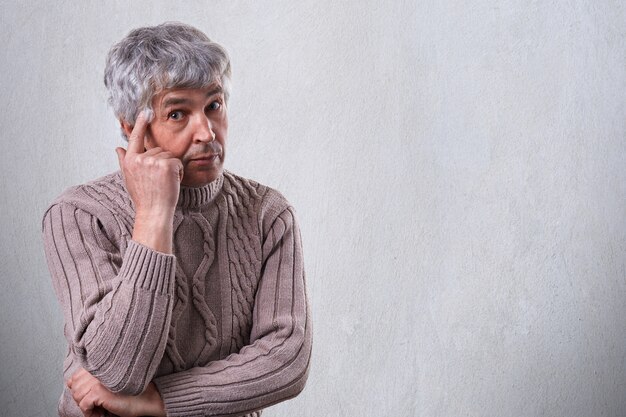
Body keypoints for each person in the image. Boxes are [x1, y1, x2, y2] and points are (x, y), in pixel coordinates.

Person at [42, 22, 311, 417]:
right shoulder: (80, 215)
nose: (206, 132)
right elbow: (116, 372)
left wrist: (160, 402)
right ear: (132, 127)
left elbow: (287, 358)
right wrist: (154, 213)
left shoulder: (268, 215)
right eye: (178, 113)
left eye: (214, 106)